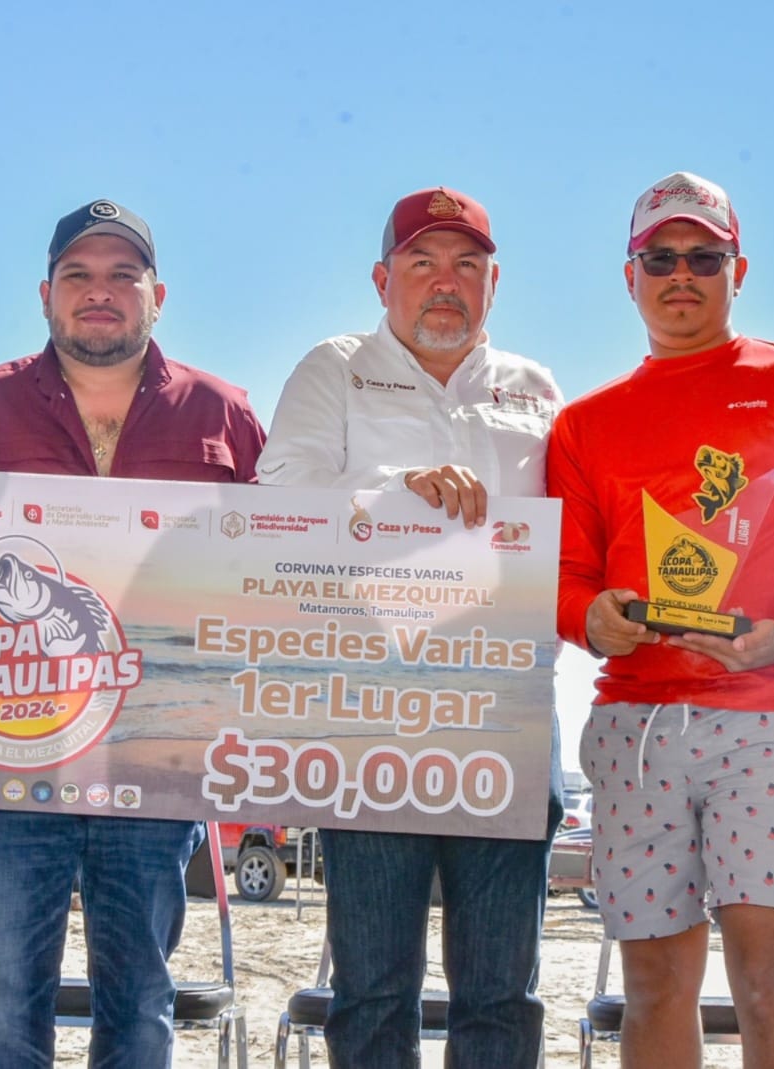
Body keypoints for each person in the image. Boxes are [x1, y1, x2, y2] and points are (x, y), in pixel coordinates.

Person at [0, 199, 265, 1069]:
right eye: (78, 275)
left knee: (142, 999)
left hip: (157, 755)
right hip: (2, 756)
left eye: (123, 275)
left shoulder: (225, 412)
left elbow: (270, 570)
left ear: (158, 295)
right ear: (46, 294)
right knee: (3, 997)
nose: (99, 291)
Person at [548, 172, 774, 1068]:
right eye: (659, 257)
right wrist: (591, 620)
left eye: (704, 257)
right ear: (629, 275)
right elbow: (564, 579)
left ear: (738, 270)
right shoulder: (583, 423)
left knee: (771, 981)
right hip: (635, 724)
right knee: (653, 986)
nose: (681, 274)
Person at [256, 186, 565, 1067]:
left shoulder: (537, 390)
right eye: (422, 261)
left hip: (507, 714)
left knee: (502, 997)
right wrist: (398, 499)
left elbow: (574, 538)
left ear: (494, 282)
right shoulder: (335, 368)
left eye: (466, 264)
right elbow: (278, 503)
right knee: (373, 993)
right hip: (371, 714)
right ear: (382, 278)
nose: (444, 282)